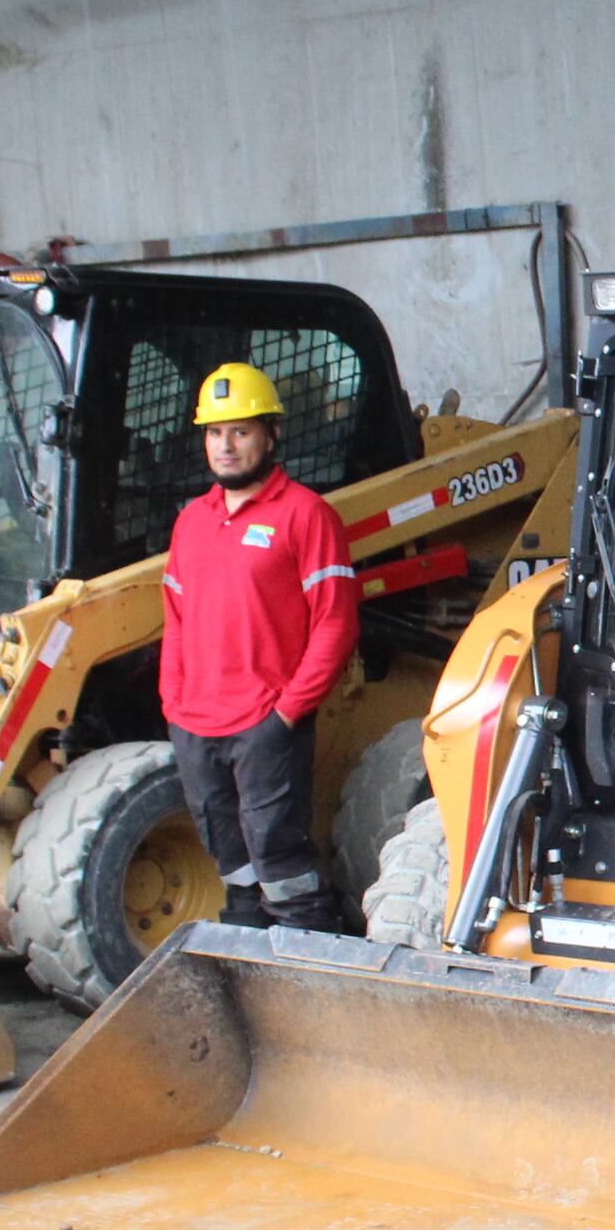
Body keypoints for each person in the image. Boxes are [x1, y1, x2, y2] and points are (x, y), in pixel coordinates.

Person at [158, 362, 360, 931]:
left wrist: (286, 714)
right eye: (214, 433)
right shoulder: (191, 523)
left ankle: (311, 968)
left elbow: (335, 626)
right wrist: (174, 706)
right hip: (196, 725)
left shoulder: (306, 515)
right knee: (232, 863)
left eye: (240, 431)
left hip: (265, 724)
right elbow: (174, 620)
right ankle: (249, 967)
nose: (225, 446)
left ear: (271, 436)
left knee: (281, 862)